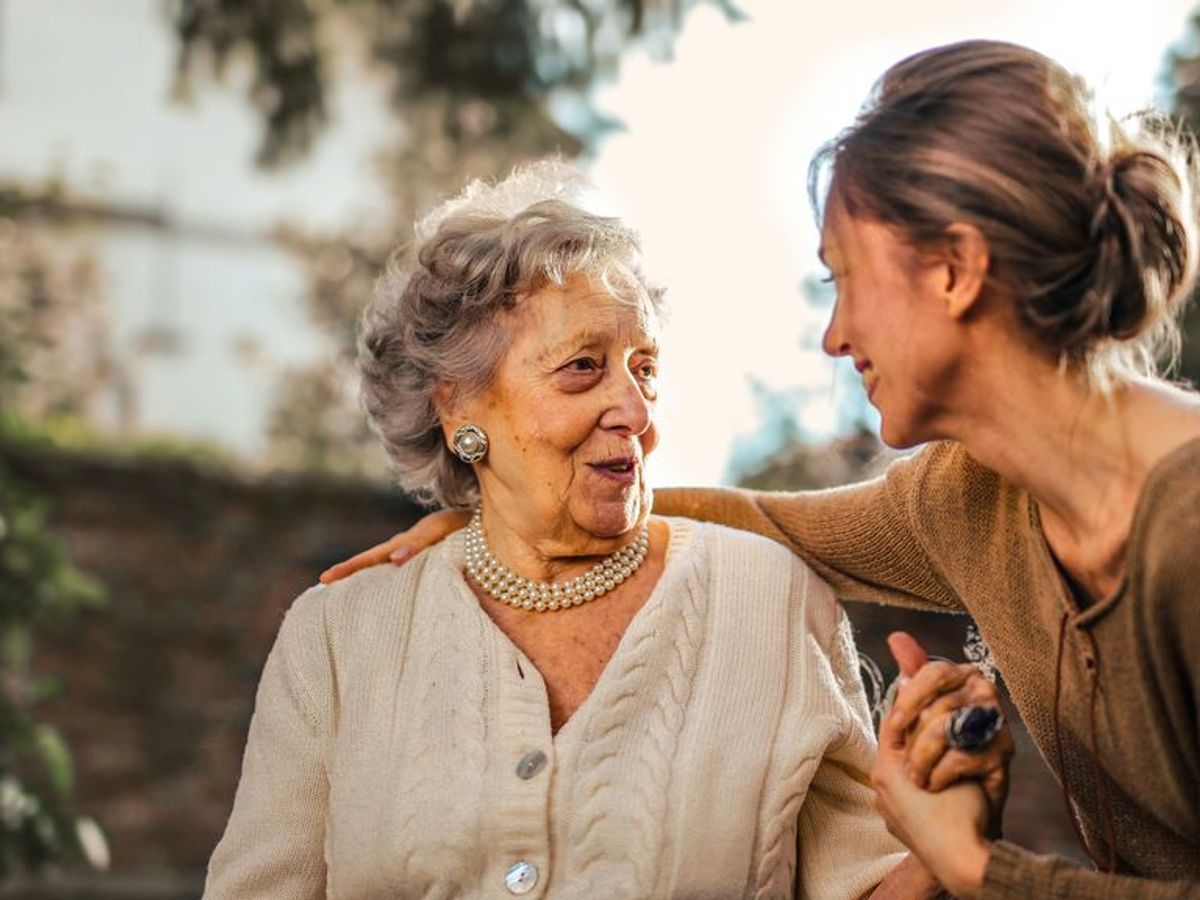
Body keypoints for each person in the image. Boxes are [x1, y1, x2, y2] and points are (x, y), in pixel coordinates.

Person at [322, 41, 1200, 898]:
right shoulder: (970, 499)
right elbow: (767, 522)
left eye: (845, 280)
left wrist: (977, 869)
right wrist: (512, 510)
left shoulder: (1187, 522)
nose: (836, 335)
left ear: (956, 270)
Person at [205, 162, 947, 898]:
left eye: (645, 369)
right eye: (583, 368)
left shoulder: (773, 603)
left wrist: (946, 846)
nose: (636, 410)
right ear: (459, 408)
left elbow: (863, 884)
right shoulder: (337, 638)